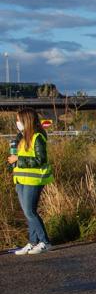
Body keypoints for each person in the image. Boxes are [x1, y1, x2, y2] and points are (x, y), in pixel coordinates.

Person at [9, 106, 53, 255]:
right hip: (21, 179)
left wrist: (18, 159)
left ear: (25, 120)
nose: (17, 122)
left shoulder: (37, 136)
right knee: (27, 213)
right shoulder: (22, 137)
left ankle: (44, 242)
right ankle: (32, 242)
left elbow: (41, 159)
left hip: (33, 180)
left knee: (30, 211)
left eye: (18, 120)